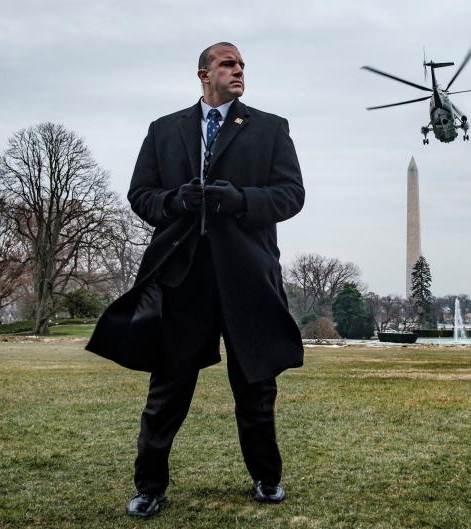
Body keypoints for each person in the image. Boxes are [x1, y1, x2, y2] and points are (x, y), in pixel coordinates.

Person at [86, 42, 305, 518]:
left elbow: (291, 196)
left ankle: (267, 478)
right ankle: (149, 487)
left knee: (255, 387)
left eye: (243, 64)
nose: (239, 70)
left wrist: (241, 199)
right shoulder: (164, 130)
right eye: (228, 64)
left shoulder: (270, 128)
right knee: (167, 389)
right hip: (183, 279)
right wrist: (174, 203)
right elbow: (140, 194)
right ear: (204, 74)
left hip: (246, 277)